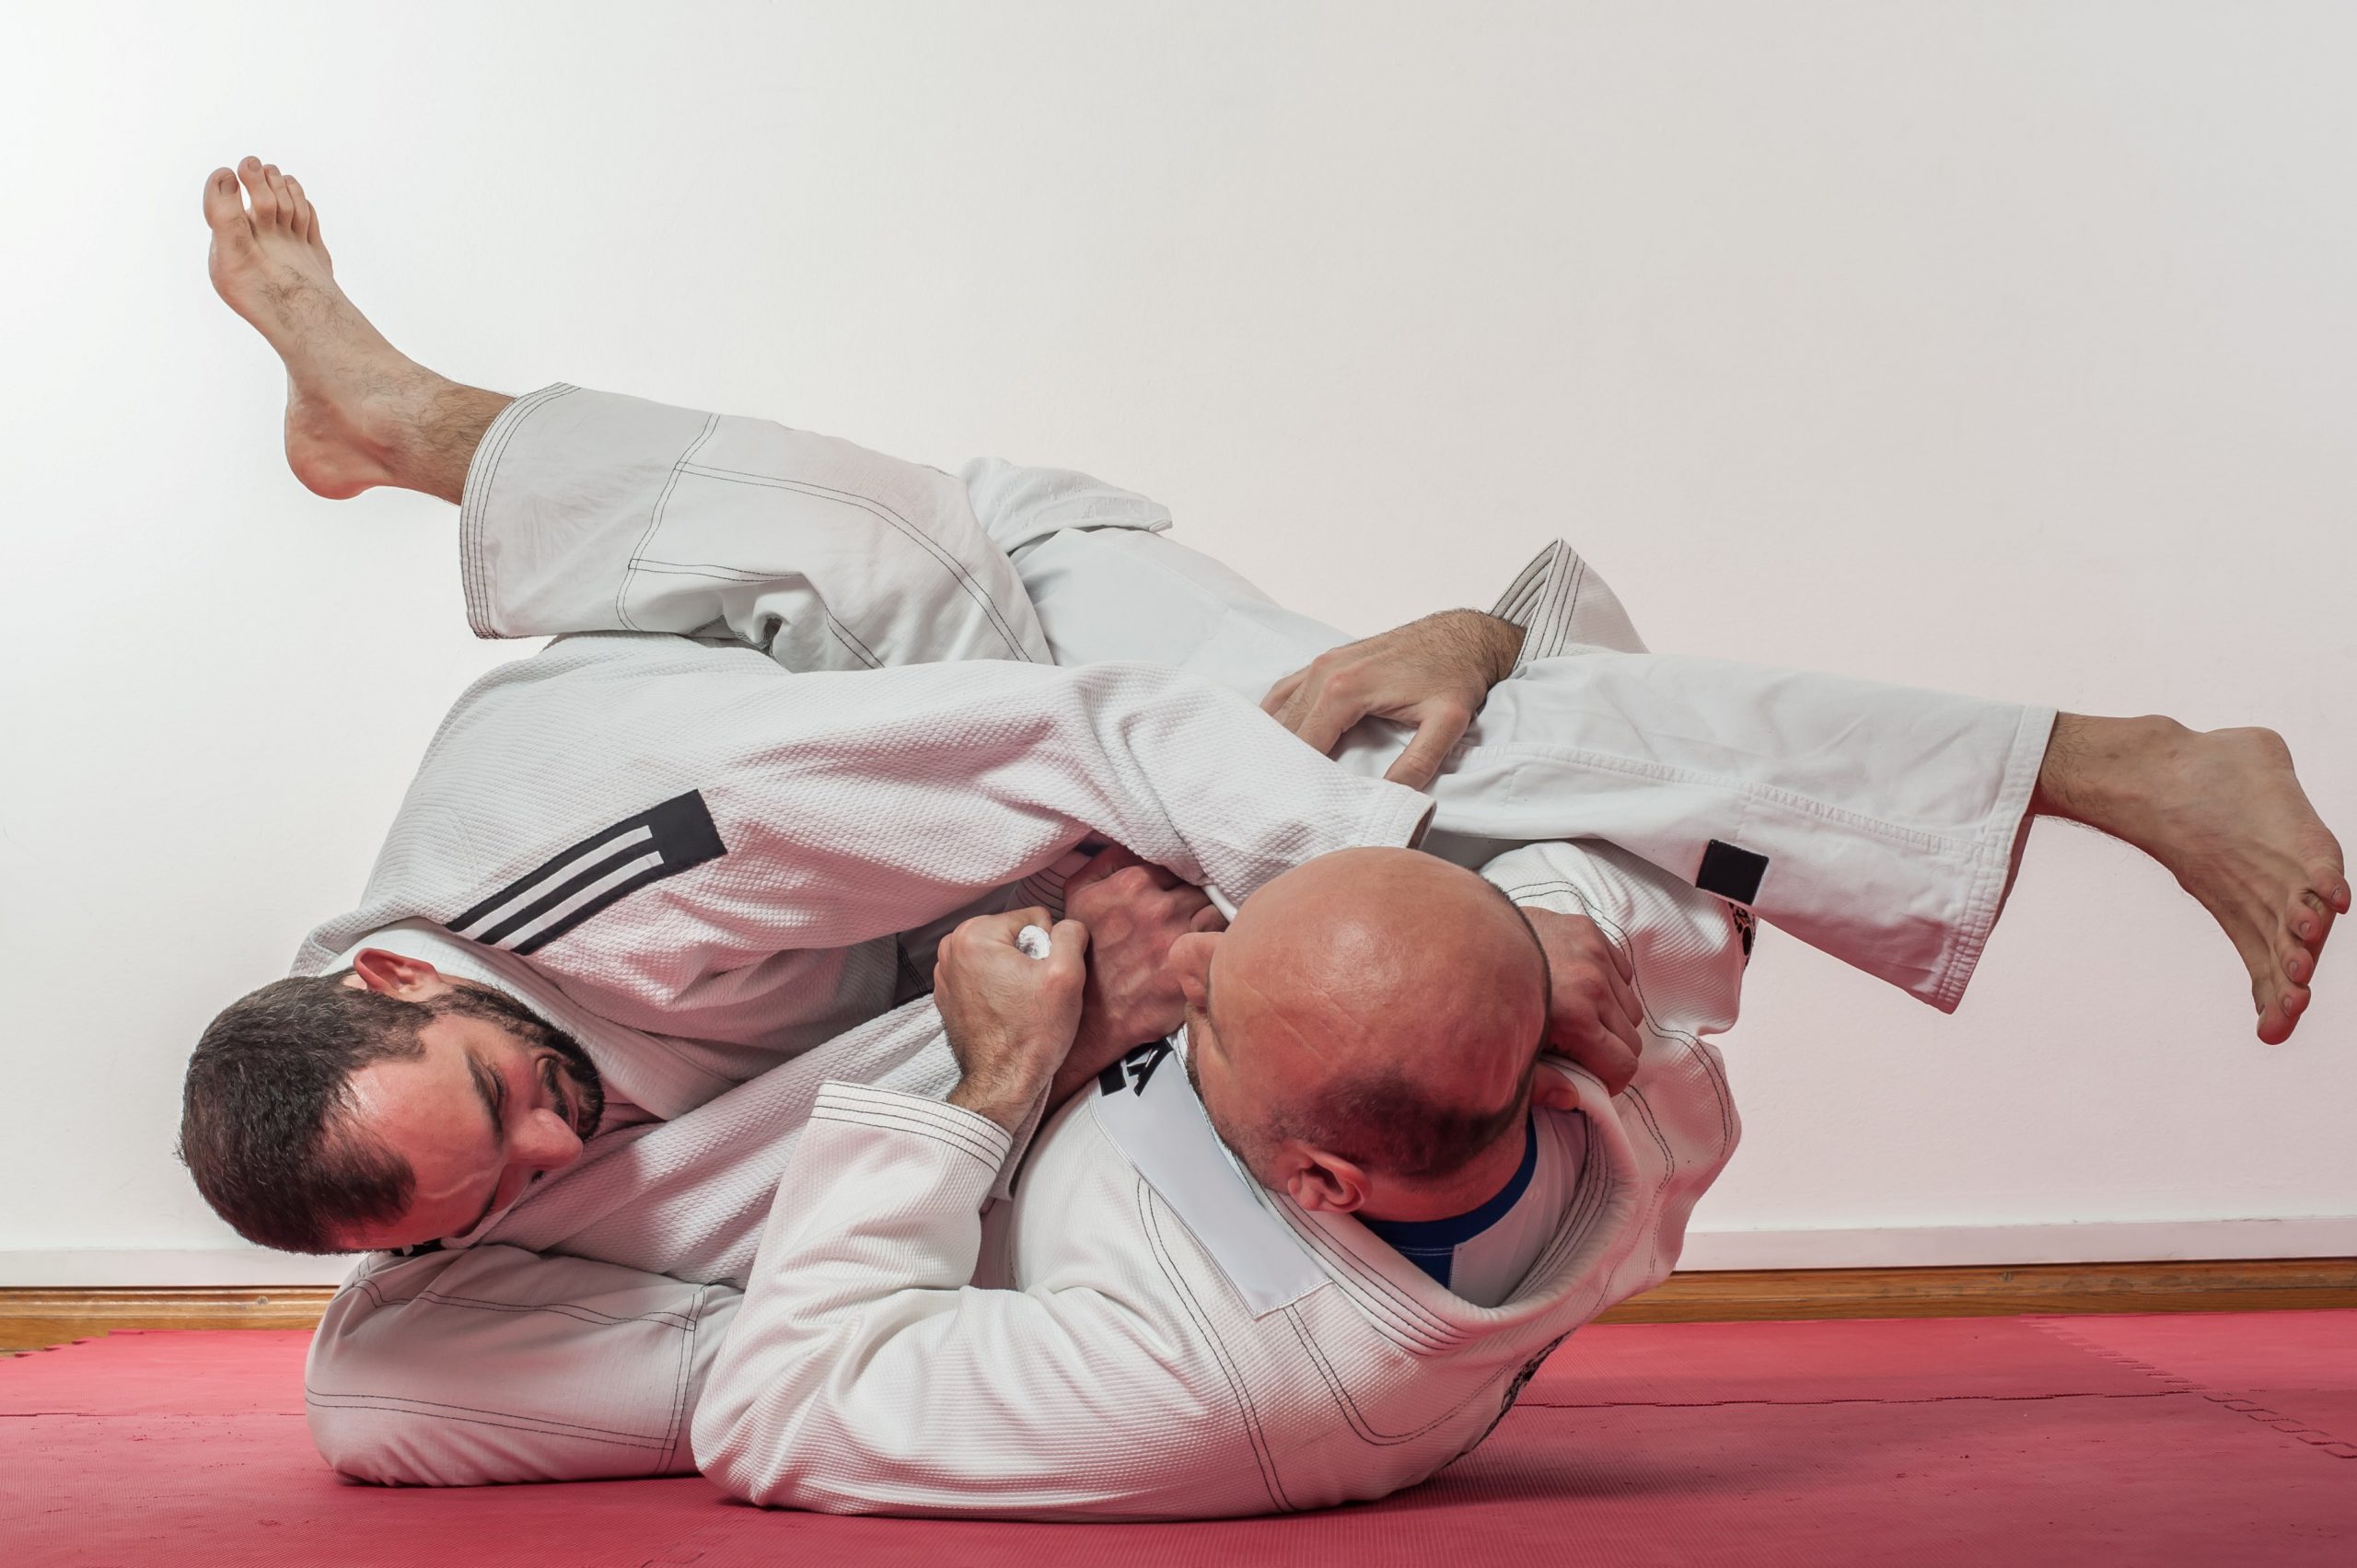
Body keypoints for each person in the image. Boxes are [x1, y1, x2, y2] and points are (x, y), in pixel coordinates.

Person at [185, 158, 2340, 1509]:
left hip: (988, 637)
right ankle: (1468, 707)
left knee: (1378, 755)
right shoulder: (461, 1167)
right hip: (989, 884)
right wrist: (999, 1063)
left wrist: (1368, 904)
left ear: (397, 978)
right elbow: (485, 1344)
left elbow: (1092, 725)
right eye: (474, 1208)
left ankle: (2105, 763)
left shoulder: (649, 846)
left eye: (510, 1118)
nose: (546, 1169)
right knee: (371, 1413)